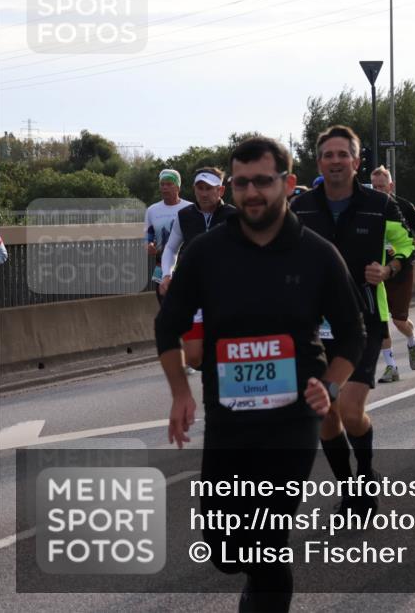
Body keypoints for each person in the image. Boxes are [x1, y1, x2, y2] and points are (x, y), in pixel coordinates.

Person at [156, 136, 366, 612]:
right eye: (243, 183)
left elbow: (352, 334)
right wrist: (178, 394)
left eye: (264, 182)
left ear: (288, 184)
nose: (253, 193)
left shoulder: (317, 254)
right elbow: (168, 325)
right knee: (226, 548)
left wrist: (329, 387)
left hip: (292, 418)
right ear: (231, 189)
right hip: (228, 416)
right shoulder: (206, 253)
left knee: (269, 539)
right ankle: (253, 578)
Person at [290, 125, 415, 514]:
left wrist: (390, 269)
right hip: (313, 326)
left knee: (348, 409)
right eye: (328, 155)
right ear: (319, 162)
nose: (335, 161)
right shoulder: (301, 207)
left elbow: (410, 242)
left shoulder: (379, 205)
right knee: (324, 413)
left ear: (357, 162)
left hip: (363, 320)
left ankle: (364, 472)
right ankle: (348, 488)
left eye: (343, 154)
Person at [159, 167, 237, 369]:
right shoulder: (184, 215)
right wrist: (167, 274)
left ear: (220, 191)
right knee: (194, 358)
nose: (203, 193)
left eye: (208, 188)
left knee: (225, 351)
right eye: (199, 188)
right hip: (194, 294)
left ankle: (218, 387)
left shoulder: (234, 216)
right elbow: (170, 249)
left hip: (226, 294)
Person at [369, 167, 415, 383]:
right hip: (377, 272)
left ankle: (412, 341)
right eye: (374, 187)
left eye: (381, 187)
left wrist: (413, 245)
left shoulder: (403, 206)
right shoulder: (367, 207)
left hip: (401, 268)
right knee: (380, 320)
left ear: (390, 186)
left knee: (399, 321)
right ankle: (391, 366)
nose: (377, 191)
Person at [145, 169, 191, 304]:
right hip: (161, 266)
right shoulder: (152, 210)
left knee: (185, 307)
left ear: (178, 186)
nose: (165, 188)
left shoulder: (190, 208)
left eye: (169, 184)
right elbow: (148, 235)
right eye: (162, 184)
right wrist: (149, 246)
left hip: (185, 265)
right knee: (164, 306)